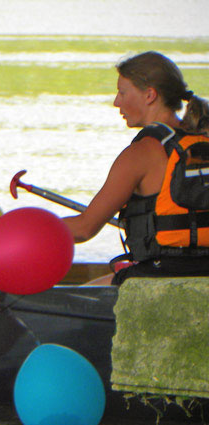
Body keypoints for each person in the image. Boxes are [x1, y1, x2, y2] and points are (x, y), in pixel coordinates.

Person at [61, 51, 209, 285]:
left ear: (149, 95)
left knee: (83, 293)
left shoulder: (141, 153)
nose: (116, 102)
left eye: (122, 92)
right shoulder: (203, 139)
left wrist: (28, 228)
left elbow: (83, 229)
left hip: (162, 274)